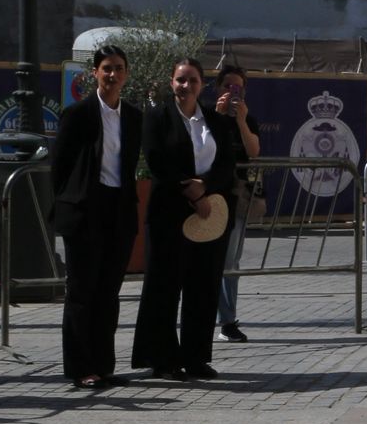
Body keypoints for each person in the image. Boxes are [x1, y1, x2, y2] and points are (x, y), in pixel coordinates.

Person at [131, 59, 240, 382]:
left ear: (201, 84)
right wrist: (191, 191)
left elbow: (226, 163)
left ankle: (196, 357)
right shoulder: (157, 117)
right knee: (164, 286)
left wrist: (205, 188)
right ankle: (162, 359)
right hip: (170, 212)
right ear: (171, 82)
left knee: (203, 286)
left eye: (192, 80)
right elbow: (157, 160)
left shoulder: (215, 122)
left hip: (209, 214)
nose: (185, 86)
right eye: (180, 80)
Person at [49, 44, 141, 390]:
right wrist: (67, 204)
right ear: (95, 74)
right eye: (106, 69)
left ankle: (103, 365)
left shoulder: (133, 116)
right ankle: (80, 367)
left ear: (126, 74)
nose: (113, 75)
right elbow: (60, 168)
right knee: (82, 292)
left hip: (118, 209)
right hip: (85, 209)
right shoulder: (78, 114)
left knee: (108, 293)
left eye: (118, 68)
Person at [211, 61, 261, 343]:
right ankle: (218, 316)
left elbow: (254, 150)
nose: (233, 93)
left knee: (231, 260)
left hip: (237, 195)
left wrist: (241, 120)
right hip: (210, 195)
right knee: (214, 260)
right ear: (218, 88)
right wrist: (218, 117)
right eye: (228, 87)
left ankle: (228, 319)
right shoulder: (207, 115)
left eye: (238, 88)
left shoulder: (247, 118)